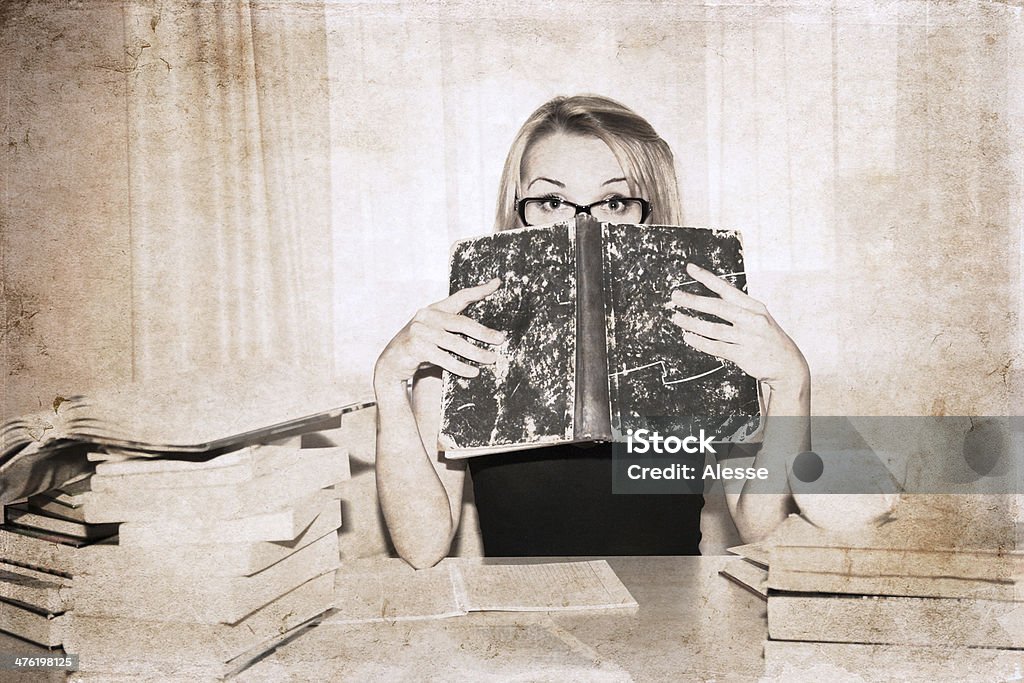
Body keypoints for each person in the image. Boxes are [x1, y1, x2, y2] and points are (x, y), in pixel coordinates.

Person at [374, 95, 810, 568]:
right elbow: (422, 548)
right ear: (517, 207)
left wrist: (793, 386)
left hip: (664, 623)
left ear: (652, 212)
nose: (583, 227)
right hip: (521, 626)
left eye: (616, 202)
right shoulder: (464, 342)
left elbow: (762, 532)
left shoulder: (706, 333)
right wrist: (389, 383)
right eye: (552, 201)